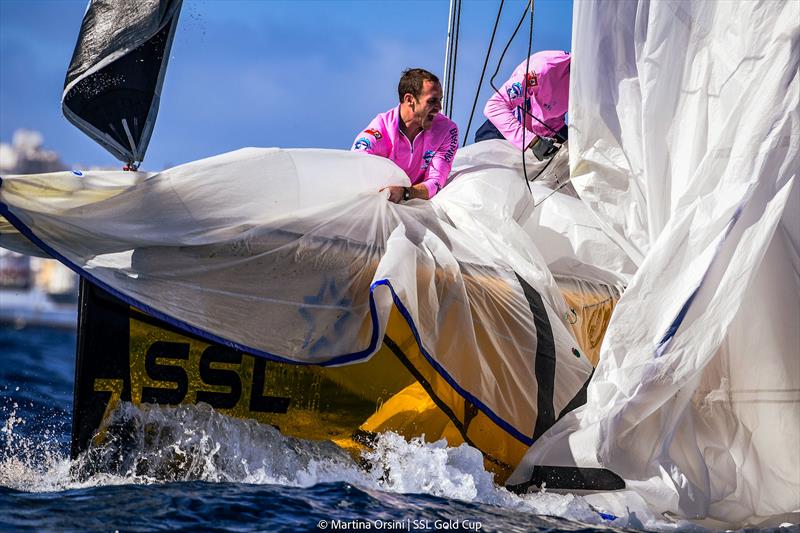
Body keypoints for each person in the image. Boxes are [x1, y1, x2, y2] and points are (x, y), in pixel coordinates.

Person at [352, 68, 459, 203]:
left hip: (418, 203)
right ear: (409, 99)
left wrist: (405, 193)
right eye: (432, 101)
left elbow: (436, 182)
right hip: (378, 202)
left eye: (440, 100)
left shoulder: (447, 130)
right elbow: (356, 167)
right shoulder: (378, 132)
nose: (439, 107)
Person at [475, 51, 570, 160]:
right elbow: (495, 107)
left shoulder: (590, 86)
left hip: (549, 131)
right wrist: (534, 142)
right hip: (504, 132)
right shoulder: (540, 72)